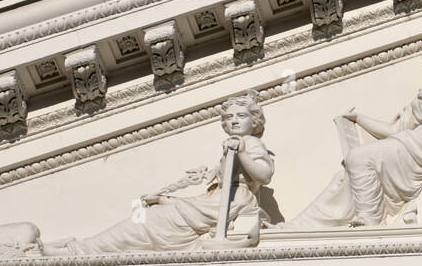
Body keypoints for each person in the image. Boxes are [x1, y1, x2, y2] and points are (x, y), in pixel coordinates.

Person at [283, 32, 422, 228]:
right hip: (416, 140)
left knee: (359, 157)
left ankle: (370, 218)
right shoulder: (420, 97)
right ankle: (302, 225)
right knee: (347, 174)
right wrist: (358, 118)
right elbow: (393, 130)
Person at [44, 91, 274, 254]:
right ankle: (82, 248)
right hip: (215, 203)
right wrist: (164, 199)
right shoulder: (234, 145)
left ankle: (80, 250)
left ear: (254, 121)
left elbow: (264, 175)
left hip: (233, 202)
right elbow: (212, 193)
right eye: (229, 117)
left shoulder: (250, 143)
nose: (233, 121)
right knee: (146, 217)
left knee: (146, 220)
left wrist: (242, 152)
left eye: (241, 116)